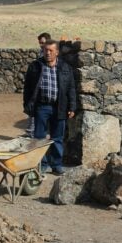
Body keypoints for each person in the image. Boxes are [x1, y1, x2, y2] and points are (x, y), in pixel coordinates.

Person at [23, 39, 76, 175]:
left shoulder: (65, 67)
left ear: (57, 52)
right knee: (39, 138)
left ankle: (56, 165)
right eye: (45, 50)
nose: (47, 53)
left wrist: (72, 106)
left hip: (60, 107)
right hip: (41, 107)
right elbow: (27, 88)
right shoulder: (35, 66)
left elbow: (71, 88)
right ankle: (42, 164)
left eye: (51, 50)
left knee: (57, 138)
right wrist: (27, 106)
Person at [25, 32, 52, 136]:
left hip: (46, 90)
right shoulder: (41, 53)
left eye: (43, 43)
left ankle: (32, 133)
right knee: (33, 110)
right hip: (38, 89)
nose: (41, 45)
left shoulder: (49, 55)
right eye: (40, 43)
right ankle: (31, 133)